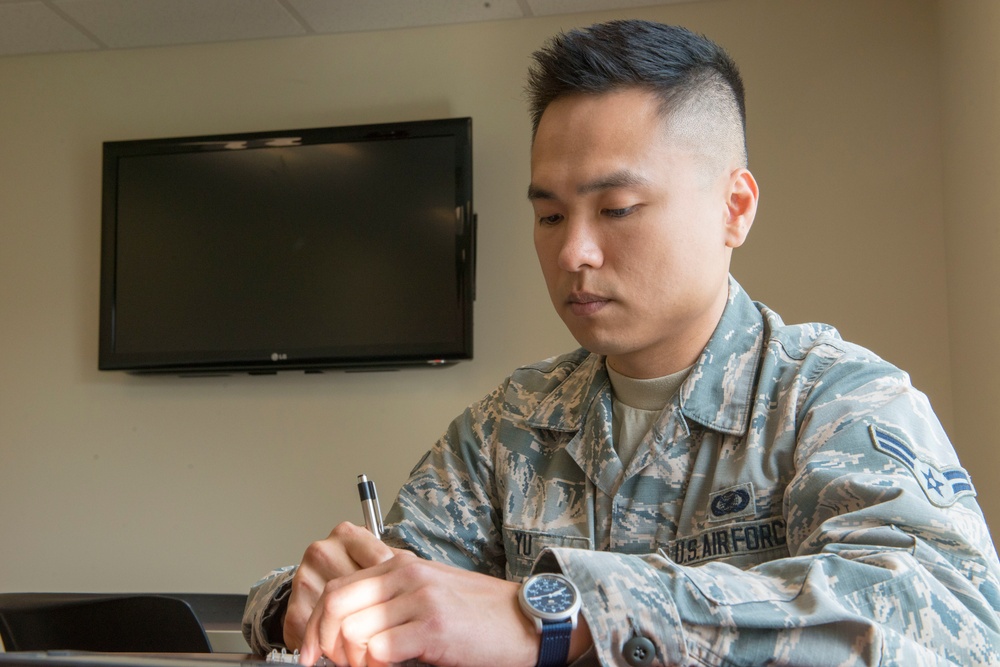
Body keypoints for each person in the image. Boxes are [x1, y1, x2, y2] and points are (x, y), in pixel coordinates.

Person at [242, 20, 1000, 667]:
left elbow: (949, 617)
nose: (574, 252)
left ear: (733, 208)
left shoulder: (832, 397)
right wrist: (298, 601)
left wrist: (561, 613)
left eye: (619, 208)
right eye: (548, 217)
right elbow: (395, 576)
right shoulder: (511, 423)